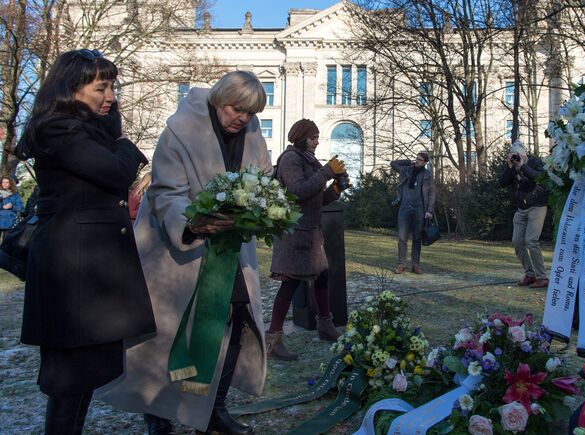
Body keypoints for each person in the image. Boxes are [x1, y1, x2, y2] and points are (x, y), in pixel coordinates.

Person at [96, 71, 273, 435]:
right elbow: (166, 192)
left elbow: (263, 180)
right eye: (236, 109)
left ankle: (214, 411)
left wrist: (265, 209)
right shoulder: (180, 131)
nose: (242, 119)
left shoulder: (251, 133)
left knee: (237, 322)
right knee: (169, 334)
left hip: (231, 250)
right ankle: (157, 412)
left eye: (250, 113)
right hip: (177, 252)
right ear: (218, 100)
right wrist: (192, 225)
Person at [16, 49, 156, 434]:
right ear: (72, 88)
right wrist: (127, 145)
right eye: (101, 87)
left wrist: (113, 132)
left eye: (113, 86)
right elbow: (114, 172)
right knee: (69, 378)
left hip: (90, 268)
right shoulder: (57, 128)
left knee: (84, 374)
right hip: (72, 268)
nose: (111, 96)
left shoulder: (87, 130)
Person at [267, 119, 347, 360]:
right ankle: (273, 339)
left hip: (310, 233)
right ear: (302, 137)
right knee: (290, 284)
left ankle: (325, 325)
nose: (317, 141)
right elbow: (298, 191)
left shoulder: (308, 159)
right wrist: (326, 172)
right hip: (294, 232)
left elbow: (315, 200)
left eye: (318, 137)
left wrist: (336, 189)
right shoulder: (291, 158)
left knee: (322, 276)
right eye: (314, 137)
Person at [499, 140, 550, 289]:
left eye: (518, 154)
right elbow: (502, 183)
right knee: (517, 242)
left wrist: (523, 166)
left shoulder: (534, 162)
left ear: (524, 154)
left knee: (531, 241)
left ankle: (542, 277)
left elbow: (540, 178)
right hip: (521, 208)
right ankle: (530, 274)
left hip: (537, 206)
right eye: (513, 155)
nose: (515, 157)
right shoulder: (512, 166)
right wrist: (509, 168)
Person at [391, 151, 435, 274]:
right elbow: (393, 163)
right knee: (402, 237)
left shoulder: (427, 174)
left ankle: (415, 265)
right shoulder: (406, 170)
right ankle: (401, 264)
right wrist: (409, 161)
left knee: (417, 238)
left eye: (420, 160)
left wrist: (430, 210)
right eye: (417, 158)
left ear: (425, 162)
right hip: (404, 207)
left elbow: (431, 193)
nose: (417, 161)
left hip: (420, 209)